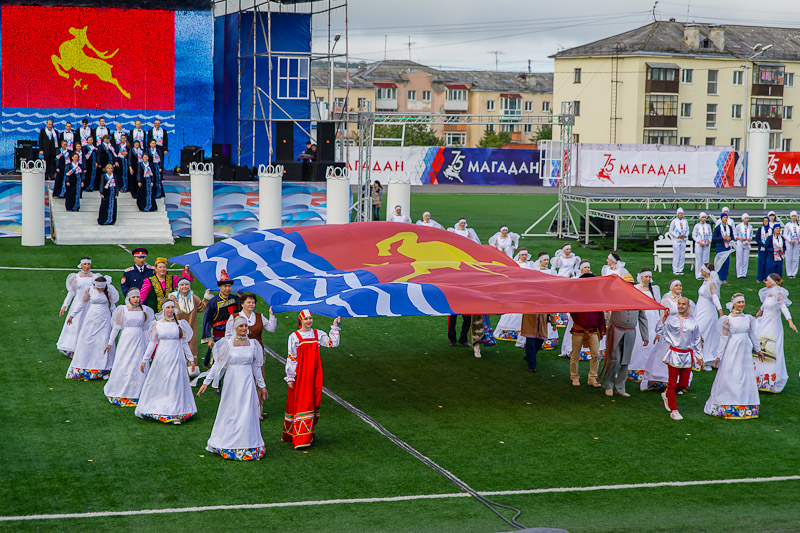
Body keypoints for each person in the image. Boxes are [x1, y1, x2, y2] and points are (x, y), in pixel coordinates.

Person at [198, 317, 268, 460]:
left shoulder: (253, 344)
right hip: (232, 381)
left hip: (247, 381)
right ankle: (229, 440)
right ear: (235, 327)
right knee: (232, 410)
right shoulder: (227, 344)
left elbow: (256, 367)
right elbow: (218, 365)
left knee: (247, 410)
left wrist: (262, 386)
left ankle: (248, 442)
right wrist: (206, 382)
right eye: (241, 326)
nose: (244, 328)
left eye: (245, 326)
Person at [283, 310, 341, 449]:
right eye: (306, 319)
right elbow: (292, 357)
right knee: (303, 401)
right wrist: (291, 377)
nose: (309, 321)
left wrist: (334, 327)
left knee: (315, 400)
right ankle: (301, 436)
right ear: (300, 321)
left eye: (310, 318)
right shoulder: (294, 336)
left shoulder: (317, 334)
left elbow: (332, 343)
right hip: (302, 374)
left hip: (315, 372)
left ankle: (310, 432)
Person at [135, 300, 197, 424]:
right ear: (164, 309)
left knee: (175, 381)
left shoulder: (179, 324)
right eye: (168, 307)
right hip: (162, 357)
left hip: (177, 357)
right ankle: (160, 406)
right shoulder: (157, 324)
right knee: (162, 381)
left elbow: (184, 343)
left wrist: (191, 359)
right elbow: (153, 343)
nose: (170, 310)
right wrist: (144, 360)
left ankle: (175, 410)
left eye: (172, 307)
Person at [704, 294, 764, 419]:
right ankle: (727, 403)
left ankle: (745, 403)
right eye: (739, 302)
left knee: (744, 374)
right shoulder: (728, 319)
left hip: (745, 350)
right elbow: (724, 338)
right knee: (732, 373)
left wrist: (758, 350)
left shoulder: (748, 318)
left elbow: (752, 335)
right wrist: (718, 355)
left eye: (743, 302)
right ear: (733, 304)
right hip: (733, 349)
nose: (741, 304)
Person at [223, 292, 276, 415]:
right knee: (242, 379)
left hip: (257, 353)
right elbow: (228, 336)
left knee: (258, 378)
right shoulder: (234, 317)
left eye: (253, 302)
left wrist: (272, 316)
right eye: (249, 302)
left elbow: (271, 329)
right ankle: (240, 408)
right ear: (242, 304)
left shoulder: (259, 316)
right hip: (240, 352)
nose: (251, 304)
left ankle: (257, 408)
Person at [641, 280, 695, 391]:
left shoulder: (685, 301)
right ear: (671, 288)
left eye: (680, 285)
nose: (679, 287)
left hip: (681, 333)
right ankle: (660, 379)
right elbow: (662, 318)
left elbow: (690, 317)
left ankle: (677, 383)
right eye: (676, 285)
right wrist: (659, 333)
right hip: (668, 332)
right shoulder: (667, 301)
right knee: (664, 355)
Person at [104, 288, 155, 406]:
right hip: (126, 339)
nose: (136, 299)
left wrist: (148, 343)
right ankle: (122, 388)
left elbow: (147, 328)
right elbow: (116, 327)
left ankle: (139, 390)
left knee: (138, 363)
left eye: (138, 297)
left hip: (139, 338)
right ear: (129, 298)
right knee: (125, 362)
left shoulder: (145, 310)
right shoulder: (122, 310)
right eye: (134, 297)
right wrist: (110, 342)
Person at [601, 273, 648, 397]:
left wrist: (645, 336)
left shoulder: (638, 298)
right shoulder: (615, 295)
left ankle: (620, 388)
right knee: (614, 360)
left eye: (631, 284)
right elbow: (604, 294)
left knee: (625, 361)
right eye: (626, 284)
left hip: (630, 331)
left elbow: (642, 318)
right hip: (616, 330)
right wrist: (611, 280)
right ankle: (609, 384)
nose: (629, 286)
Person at [656, 296, 703, 420]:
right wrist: (663, 319)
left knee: (683, 384)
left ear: (688, 306)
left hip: (687, 355)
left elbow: (696, 339)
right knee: (672, 382)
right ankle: (673, 409)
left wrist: (699, 356)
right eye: (679, 304)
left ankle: (667, 395)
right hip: (674, 354)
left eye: (684, 304)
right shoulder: (671, 320)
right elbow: (659, 330)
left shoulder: (693, 322)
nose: (681, 306)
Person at [65, 275, 119, 380]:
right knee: (88, 340)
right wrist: (72, 315)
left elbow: (113, 307)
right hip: (91, 318)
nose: (100, 290)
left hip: (104, 319)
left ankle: (104, 368)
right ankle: (86, 365)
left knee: (103, 341)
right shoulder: (89, 290)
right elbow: (82, 304)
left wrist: (117, 320)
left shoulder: (108, 292)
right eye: (98, 288)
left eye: (102, 288)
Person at [754, 273, 797, 393]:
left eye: (767, 281)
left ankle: (772, 380)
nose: (765, 282)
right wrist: (759, 311)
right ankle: (759, 377)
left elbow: (783, 307)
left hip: (773, 325)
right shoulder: (769, 293)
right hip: (764, 323)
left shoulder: (778, 294)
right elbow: (764, 305)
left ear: (772, 282)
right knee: (761, 348)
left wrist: (790, 321)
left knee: (771, 350)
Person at [568, 272, 606, 388]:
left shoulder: (596, 296)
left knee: (595, 355)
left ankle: (592, 378)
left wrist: (601, 328)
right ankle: (574, 377)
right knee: (575, 355)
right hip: (579, 330)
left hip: (593, 331)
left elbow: (600, 313)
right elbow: (572, 310)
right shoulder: (576, 296)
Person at [168, 279, 212, 374]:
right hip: (177, 329)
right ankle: (176, 371)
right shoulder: (173, 298)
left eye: (186, 284)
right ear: (178, 287)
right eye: (182, 285)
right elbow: (168, 311)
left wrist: (207, 296)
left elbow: (202, 307)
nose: (184, 286)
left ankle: (191, 372)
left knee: (191, 347)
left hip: (191, 328)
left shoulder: (194, 298)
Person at [57, 257, 96, 357]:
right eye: (85, 264)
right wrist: (65, 305)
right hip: (78, 303)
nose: (87, 266)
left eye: (88, 264)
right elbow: (71, 293)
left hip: (90, 305)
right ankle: (72, 348)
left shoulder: (95, 277)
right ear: (81, 265)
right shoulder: (75, 277)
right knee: (75, 324)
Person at [628, 268, 661, 382]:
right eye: (646, 277)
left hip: (652, 317)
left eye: (649, 277)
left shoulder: (654, 290)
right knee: (638, 342)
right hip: (640, 318)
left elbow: (657, 304)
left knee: (651, 341)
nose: (648, 279)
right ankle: (635, 368)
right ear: (641, 277)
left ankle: (648, 369)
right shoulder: (636, 288)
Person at [202, 270, 241, 367]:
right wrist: (209, 339)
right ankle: (217, 382)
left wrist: (242, 299)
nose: (227, 289)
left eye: (229, 286)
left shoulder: (235, 299)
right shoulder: (213, 302)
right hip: (218, 335)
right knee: (218, 361)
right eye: (225, 286)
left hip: (233, 334)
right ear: (220, 287)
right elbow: (207, 320)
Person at [695, 264, 723, 371]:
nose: (700, 271)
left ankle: (706, 359)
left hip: (707, 311)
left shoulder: (711, 283)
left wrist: (720, 310)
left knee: (704, 332)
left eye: (702, 270)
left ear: (706, 271)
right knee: (698, 331)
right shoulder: (705, 281)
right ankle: (697, 357)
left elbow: (715, 297)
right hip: (700, 309)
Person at [712, 212, 734, 283]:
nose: (725, 219)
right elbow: (714, 238)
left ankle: (724, 278)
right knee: (720, 263)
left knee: (726, 263)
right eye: (724, 217)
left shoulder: (729, 227)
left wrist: (730, 238)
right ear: (721, 219)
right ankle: (719, 277)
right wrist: (722, 238)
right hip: (720, 246)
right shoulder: (718, 228)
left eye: (726, 217)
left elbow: (733, 236)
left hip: (727, 246)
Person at [668, 208, 689, 275]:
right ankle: (675, 270)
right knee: (676, 255)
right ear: (677, 214)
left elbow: (688, 230)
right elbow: (670, 230)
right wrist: (677, 235)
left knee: (682, 255)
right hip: (676, 240)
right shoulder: (674, 221)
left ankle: (680, 269)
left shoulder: (685, 221)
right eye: (680, 213)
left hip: (683, 240)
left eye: (682, 213)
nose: (681, 215)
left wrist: (685, 235)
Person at [692, 212, 712, 279]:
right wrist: (698, 241)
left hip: (706, 244)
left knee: (705, 259)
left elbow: (710, 234)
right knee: (698, 259)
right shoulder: (697, 226)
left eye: (705, 217)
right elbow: (693, 235)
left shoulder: (708, 226)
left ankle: (705, 273)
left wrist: (709, 241)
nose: (704, 218)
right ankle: (698, 274)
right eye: (703, 217)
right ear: (700, 218)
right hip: (699, 244)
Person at [735, 213, 753, 279]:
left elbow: (751, 235)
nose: (747, 219)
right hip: (740, 242)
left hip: (747, 243)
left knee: (745, 259)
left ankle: (744, 273)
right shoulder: (738, 226)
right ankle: (739, 273)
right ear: (743, 219)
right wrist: (740, 238)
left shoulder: (750, 227)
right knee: (739, 258)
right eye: (745, 218)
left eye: (747, 218)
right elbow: (735, 235)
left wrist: (749, 239)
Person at [782, 211, 800, 279]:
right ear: (790, 217)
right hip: (790, 242)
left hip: (797, 241)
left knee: (795, 257)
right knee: (789, 257)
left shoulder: (798, 225)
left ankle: (794, 272)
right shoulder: (788, 225)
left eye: (795, 216)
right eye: (792, 216)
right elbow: (785, 234)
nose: (794, 217)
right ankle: (789, 273)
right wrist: (789, 240)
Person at [756, 216, 771, 283]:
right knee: (761, 263)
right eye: (764, 221)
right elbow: (757, 239)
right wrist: (762, 244)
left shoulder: (771, 229)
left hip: (768, 249)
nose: (765, 222)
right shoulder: (760, 229)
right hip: (762, 249)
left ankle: (766, 277)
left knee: (767, 264)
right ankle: (760, 277)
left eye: (766, 221)